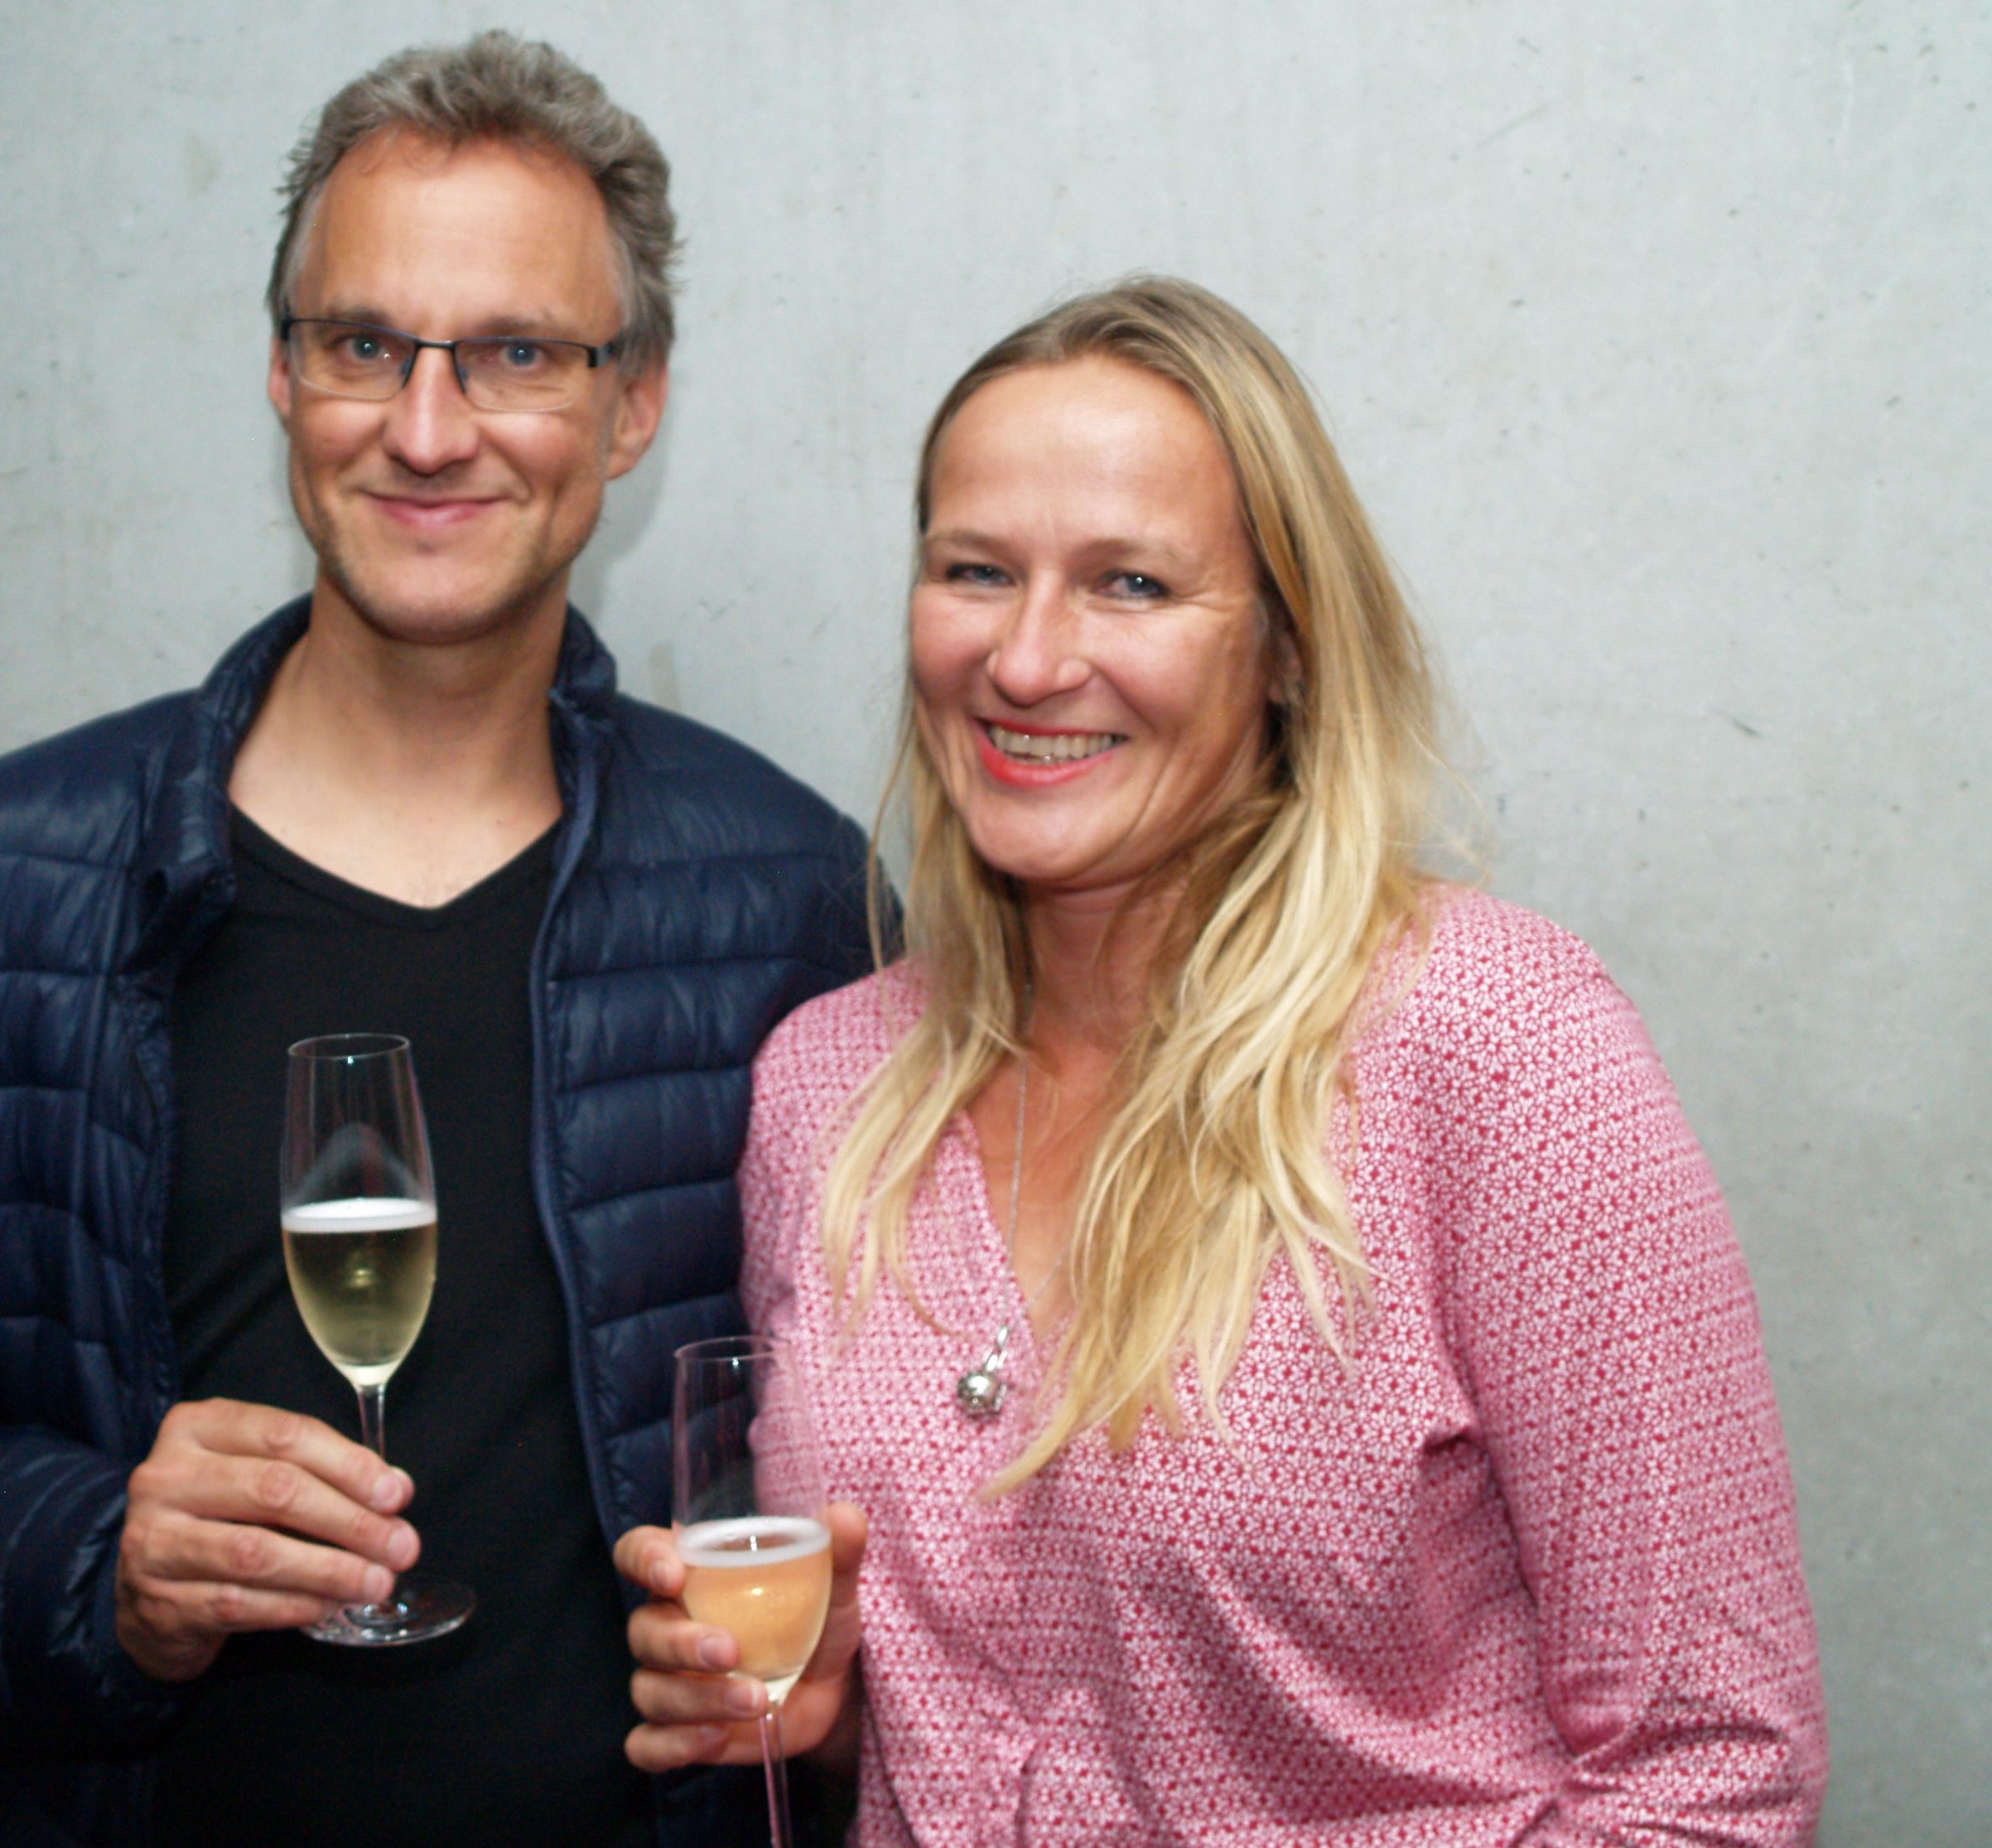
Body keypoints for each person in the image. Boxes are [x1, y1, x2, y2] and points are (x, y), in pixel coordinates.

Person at [0, 31, 871, 1848]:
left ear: (632, 403)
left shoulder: (794, 902)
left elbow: (917, 1450)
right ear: (280, 371)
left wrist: (835, 1680)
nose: (427, 428)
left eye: (517, 353)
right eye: (363, 345)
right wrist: (98, 1561)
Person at [619, 277, 1828, 1844]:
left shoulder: (1498, 1048)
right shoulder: (826, 1088)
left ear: (1284, 649)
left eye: (1127, 583)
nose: (1026, 660)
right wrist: (827, 1709)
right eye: (976, 571)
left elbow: (1714, 1767)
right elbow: (953, 1729)